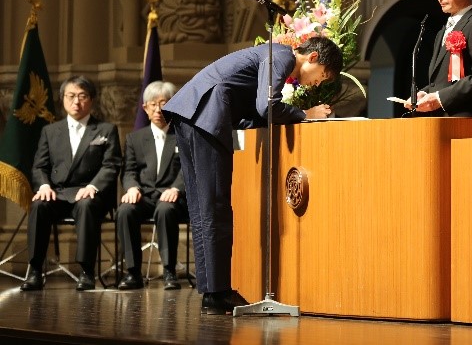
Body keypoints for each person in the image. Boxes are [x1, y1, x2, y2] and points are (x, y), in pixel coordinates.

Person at [162, 36, 343, 315]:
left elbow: (253, 109)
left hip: (192, 115)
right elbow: (267, 106)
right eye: (322, 77)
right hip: (204, 115)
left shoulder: (275, 56)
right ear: (313, 58)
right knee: (214, 207)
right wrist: (306, 114)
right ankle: (217, 291)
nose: (317, 83)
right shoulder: (282, 55)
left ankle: (213, 292)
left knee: (204, 209)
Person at [20, 75, 122, 292]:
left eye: (82, 96)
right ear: (62, 99)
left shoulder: (105, 130)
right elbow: (39, 166)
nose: (77, 102)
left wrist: (93, 186)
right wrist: (44, 186)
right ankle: (35, 270)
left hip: (91, 192)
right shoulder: (50, 131)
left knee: (86, 205)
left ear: (91, 100)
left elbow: (111, 165)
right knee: (38, 205)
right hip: (58, 192)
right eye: (71, 96)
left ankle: (86, 272)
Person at [116, 81, 187, 291]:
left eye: (164, 103)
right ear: (145, 108)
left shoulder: (183, 135)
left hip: (174, 197)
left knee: (166, 210)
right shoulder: (134, 138)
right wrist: (132, 188)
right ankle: (132, 272)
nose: (158, 109)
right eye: (153, 104)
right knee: (125, 211)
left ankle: (169, 271)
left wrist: (176, 188)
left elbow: (188, 169)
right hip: (145, 195)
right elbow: (128, 171)